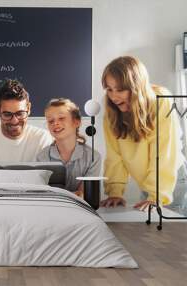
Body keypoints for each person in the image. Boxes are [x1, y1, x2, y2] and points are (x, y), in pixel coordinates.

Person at [100, 56, 185, 211]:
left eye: (120, 89)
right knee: (149, 231)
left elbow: (164, 152)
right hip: (148, 185)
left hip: (170, 183)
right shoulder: (112, 112)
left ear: (136, 87)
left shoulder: (161, 101)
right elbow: (115, 156)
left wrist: (156, 194)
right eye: (109, 89)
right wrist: (115, 192)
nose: (113, 96)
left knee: (172, 233)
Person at [37, 98, 101, 196]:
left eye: (61, 118)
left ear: (76, 122)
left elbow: (84, 194)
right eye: (50, 121)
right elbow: (44, 193)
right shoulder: (42, 157)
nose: (55, 123)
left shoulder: (93, 157)